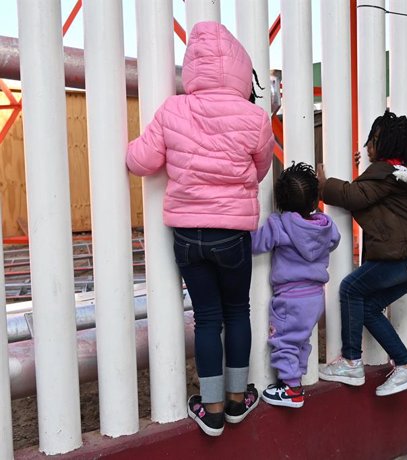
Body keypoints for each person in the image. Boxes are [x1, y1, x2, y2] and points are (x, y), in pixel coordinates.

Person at [126, 21, 274, 436]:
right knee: (237, 311)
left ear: (192, 67)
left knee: (206, 318)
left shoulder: (173, 110)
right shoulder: (255, 117)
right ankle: (236, 399)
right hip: (232, 233)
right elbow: (260, 170)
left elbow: (140, 161)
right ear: (241, 70)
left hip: (188, 233)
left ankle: (209, 410)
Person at [317, 109, 407, 397]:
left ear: (386, 146)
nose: (367, 145)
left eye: (373, 140)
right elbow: (372, 191)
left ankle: (351, 361)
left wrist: (324, 184)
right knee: (367, 306)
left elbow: (355, 195)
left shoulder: (385, 174)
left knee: (351, 288)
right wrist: (364, 168)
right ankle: (405, 366)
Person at [251, 162, 341, 408]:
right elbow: (335, 241)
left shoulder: (278, 225)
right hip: (315, 297)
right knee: (301, 340)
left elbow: (255, 244)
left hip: (290, 298)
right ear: (315, 199)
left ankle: (292, 389)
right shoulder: (325, 225)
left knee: (284, 341)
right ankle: (294, 379)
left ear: (279, 201)